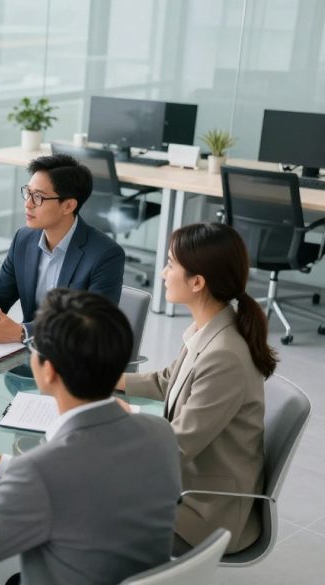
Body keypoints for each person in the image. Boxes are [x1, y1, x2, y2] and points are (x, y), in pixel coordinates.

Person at [0, 289, 181, 585]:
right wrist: (2, 464)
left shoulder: (41, 471)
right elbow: (85, 481)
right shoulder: (160, 433)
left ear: (49, 371)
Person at [119, 222, 277, 554]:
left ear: (197, 282)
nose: (163, 273)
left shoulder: (224, 356)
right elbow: (166, 381)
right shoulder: (209, 327)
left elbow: (177, 445)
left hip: (206, 513)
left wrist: (120, 425)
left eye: (170, 264)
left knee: (89, 508)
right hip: (188, 487)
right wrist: (102, 381)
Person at [0, 154, 125, 343]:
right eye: (28, 193)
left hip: (71, 354)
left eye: (38, 197)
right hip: (26, 352)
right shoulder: (23, 239)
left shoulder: (105, 254)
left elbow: (93, 325)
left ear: (68, 205)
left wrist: (23, 332)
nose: (28, 204)